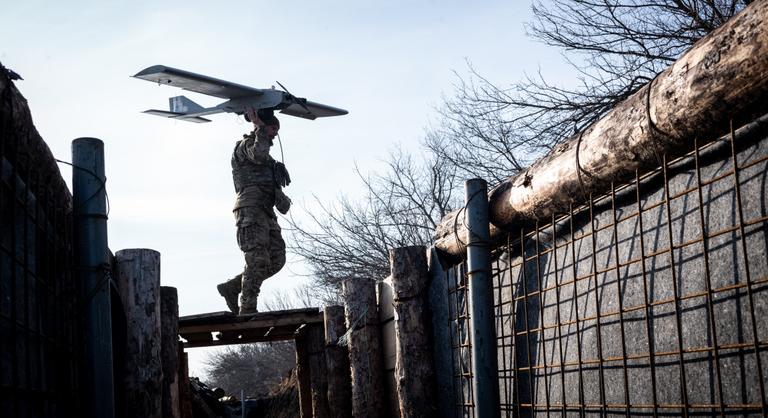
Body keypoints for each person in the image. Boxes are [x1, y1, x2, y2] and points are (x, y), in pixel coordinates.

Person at [217, 108, 291, 315]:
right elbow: (257, 154)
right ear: (261, 127)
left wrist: (281, 198)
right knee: (257, 259)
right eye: (271, 129)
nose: (274, 133)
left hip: (266, 213)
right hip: (250, 211)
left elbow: (270, 181)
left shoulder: (269, 160)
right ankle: (247, 307)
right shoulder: (244, 146)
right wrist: (259, 127)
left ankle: (232, 287)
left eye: (276, 130)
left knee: (277, 259)